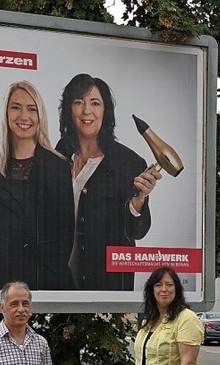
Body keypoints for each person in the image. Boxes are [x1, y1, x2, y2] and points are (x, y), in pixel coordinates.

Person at [0, 80, 75, 290]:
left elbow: (65, 236)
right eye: (16, 107)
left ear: (40, 116)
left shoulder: (58, 165)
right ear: (6, 114)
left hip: (43, 282)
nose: (24, 116)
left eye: (31, 109)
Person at [55, 73, 162, 291]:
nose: (87, 111)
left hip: (106, 285)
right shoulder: (55, 156)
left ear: (106, 111)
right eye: (79, 102)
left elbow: (136, 232)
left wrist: (139, 199)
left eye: (95, 103)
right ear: (69, 109)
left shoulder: (129, 163)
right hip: (56, 281)